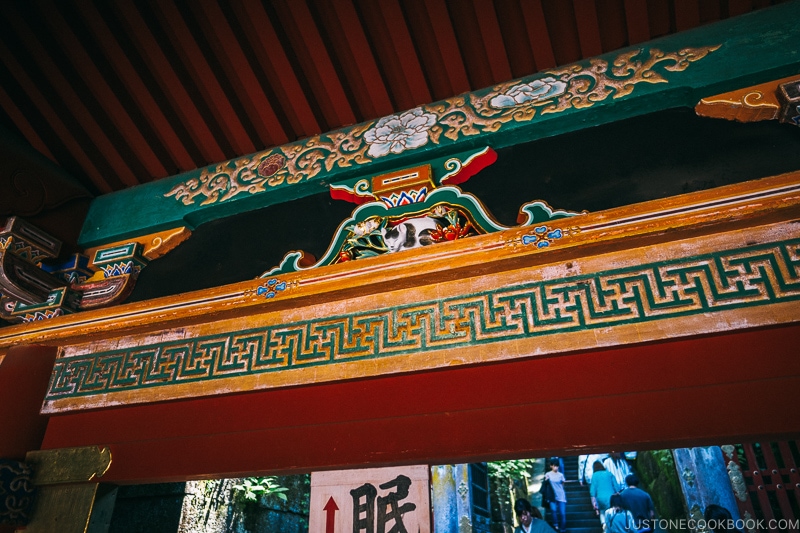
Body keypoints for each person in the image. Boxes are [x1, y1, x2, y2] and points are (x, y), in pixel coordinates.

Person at [590, 461, 619, 528]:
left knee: (602, 512)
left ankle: (604, 526)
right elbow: (616, 487)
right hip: (612, 497)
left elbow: (593, 490)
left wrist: (593, 502)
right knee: (612, 511)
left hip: (600, 498)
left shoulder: (595, 475)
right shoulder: (609, 474)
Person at [544, 458, 567, 532]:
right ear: (551, 466)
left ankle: (563, 529)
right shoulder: (548, 474)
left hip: (561, 495)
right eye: (554, 466)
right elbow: (545, 485)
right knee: (553, 511)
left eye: (557, 466)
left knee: (562, 513)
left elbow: (563, 484)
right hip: (552, 496)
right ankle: (555, 525)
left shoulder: (561, 475)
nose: (556, 467)